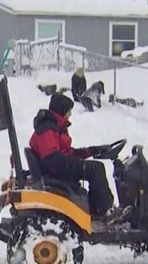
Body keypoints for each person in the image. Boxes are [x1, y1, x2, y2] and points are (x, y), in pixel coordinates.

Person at [29, 93, 131, 222]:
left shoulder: (53, 127)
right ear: (61, 111)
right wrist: (76, 165)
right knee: (95, 168)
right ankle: (105, 210)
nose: (70, 115)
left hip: (56, 168)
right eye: (69, 111)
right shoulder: (47, 130)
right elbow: (51, 159)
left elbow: (67, 153)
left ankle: (96, 209)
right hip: (54, 172)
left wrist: (92, 151)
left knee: (93, 167)